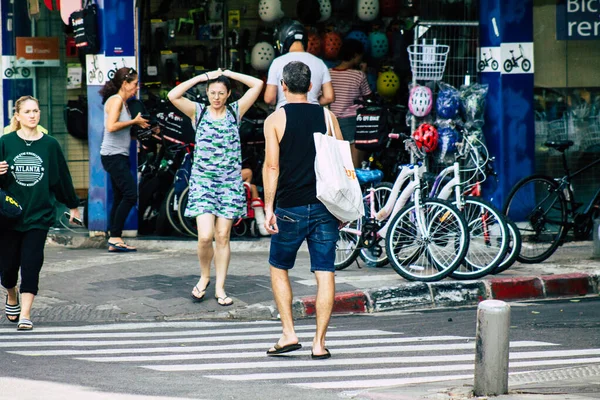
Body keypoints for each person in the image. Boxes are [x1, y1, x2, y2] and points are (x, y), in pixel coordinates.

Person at [262, 61, 342, 359]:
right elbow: (339, 164)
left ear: (283, 86)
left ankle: (289, 333)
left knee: (279, 266)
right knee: (325, 271)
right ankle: (319, 343)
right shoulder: (328, 116)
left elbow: (272, 166)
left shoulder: (275, 119)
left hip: (290, 206)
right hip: (325, 206)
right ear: (311, 87)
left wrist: (269, 207)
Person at [168, 68, 263, 306]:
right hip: (202, 183)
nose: (217, 97)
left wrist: (230, 73)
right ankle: (204, 277)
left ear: (229, 94)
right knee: (204, 236)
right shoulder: (197, 112)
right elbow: (173, 96)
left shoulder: (235, 111)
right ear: (207, 93)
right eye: (212, 93)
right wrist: (202, 78)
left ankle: (220, 287)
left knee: (222, 236)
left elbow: (257, 85)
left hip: (229, 184)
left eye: (221, 92)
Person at [0, 96, 81, 331]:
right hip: (8, 217)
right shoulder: (5, 142)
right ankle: (11, 293)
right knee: (7, 267)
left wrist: (72, 204)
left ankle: (25, 314)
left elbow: (61, 178)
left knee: (32, 263)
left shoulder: (50, 145)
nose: (33, 115)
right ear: (17, 116)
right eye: (27, 111)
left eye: (36, 110)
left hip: (39, 215)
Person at [99, 67, 149, 253]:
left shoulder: (123, 102)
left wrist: (143, 132)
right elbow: (111, 127)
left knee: (120, 196)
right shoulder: (116, 100)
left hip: (118, 155)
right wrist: (134, 122)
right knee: (130, 194)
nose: (137, 88)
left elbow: (122, 131)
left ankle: (115, 238)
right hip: (112, 156)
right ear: (125, 84)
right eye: (135, 84)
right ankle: (114, 237)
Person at [264, 19, 334, 109]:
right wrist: (314, 102)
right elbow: (329, 97)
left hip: (284, 114)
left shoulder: (277, 62)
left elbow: (269, 99)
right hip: (312, 114)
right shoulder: (319, 63)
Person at [329, 39, 372, 168]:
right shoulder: (358, 75)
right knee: (354, 161)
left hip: (331, 120)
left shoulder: (328, 73)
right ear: (354, 55)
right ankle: (355, 186)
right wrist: (364, 72)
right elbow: (368, 98)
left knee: (334, 158)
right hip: (352, 121)